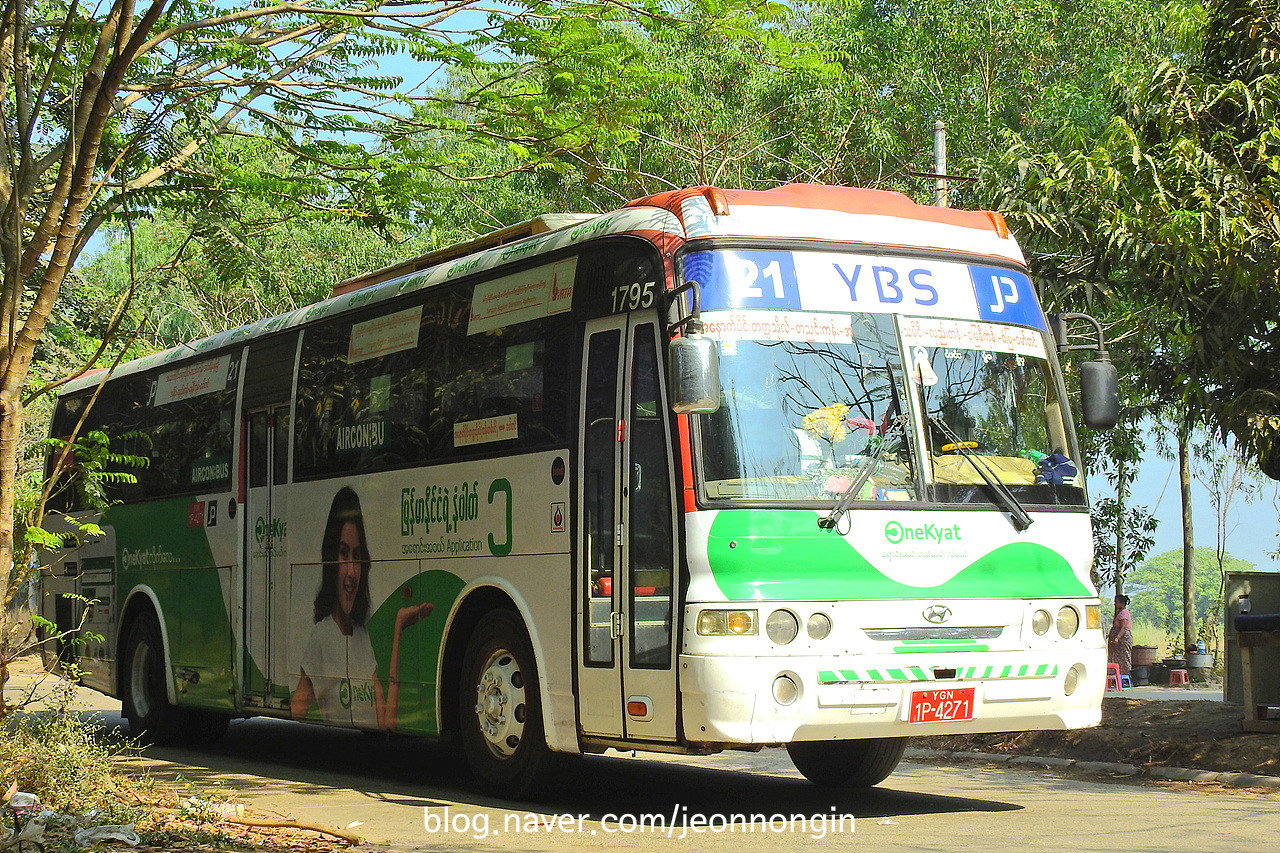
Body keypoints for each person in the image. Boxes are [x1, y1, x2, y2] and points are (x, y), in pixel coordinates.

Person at [291, 486, 433, 730]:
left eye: (357, 556)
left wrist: (399, 629)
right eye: (343, 554)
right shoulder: (321, 637)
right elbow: (297, 712)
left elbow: (387, 724)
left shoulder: (362, 636)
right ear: (330, 560)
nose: (351, 572)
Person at [1108, 594, 1133, 675]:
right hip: (1118, 641)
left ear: (1122, 603)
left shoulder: (1124, 613)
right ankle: (1116, 676)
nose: (1115, 604)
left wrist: (1117, 638)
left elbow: (1123, 627)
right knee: (1115, 658)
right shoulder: (1120, 612)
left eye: (1117, 602)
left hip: (1122, 640)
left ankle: (1125, 676)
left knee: (1124, 659)